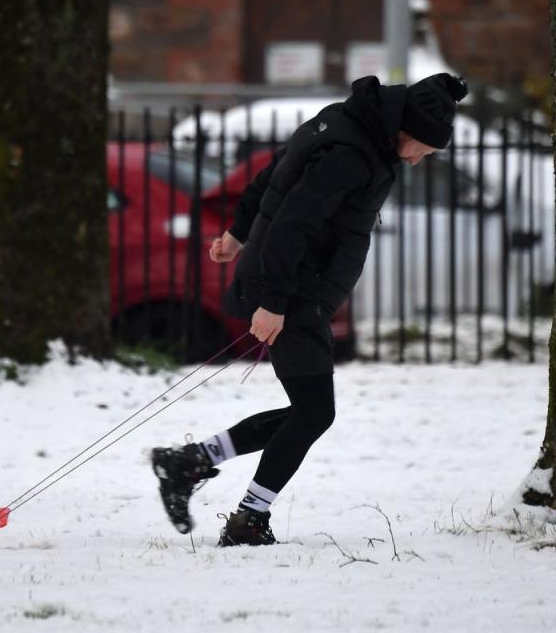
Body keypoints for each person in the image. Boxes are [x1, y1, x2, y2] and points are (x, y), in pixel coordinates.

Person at [151, 73, 468, 546]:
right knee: (315, 411)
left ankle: (189, 462)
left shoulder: (339, 124)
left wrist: (238, 234)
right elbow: (294, 224)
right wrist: (274, 303)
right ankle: (247, 518)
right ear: (403, 128)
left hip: (295, 286)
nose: (420, 158)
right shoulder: (350, 154)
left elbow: (272, 177)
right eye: (422, 147)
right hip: (294, 289)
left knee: (310, 410)